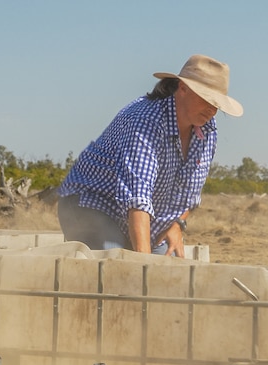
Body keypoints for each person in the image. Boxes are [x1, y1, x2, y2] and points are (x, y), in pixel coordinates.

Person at [57, 54, 243, 256]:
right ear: (183, 89)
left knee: (169, 274)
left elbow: (190, 192)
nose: (211, 110)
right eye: (207, 99)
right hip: (90, 203)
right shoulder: (146, 121)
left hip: (145, 218)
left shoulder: (206, 128)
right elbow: (137, 198)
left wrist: (177, 224)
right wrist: (144, 267)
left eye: (216, 104)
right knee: (118, 268)